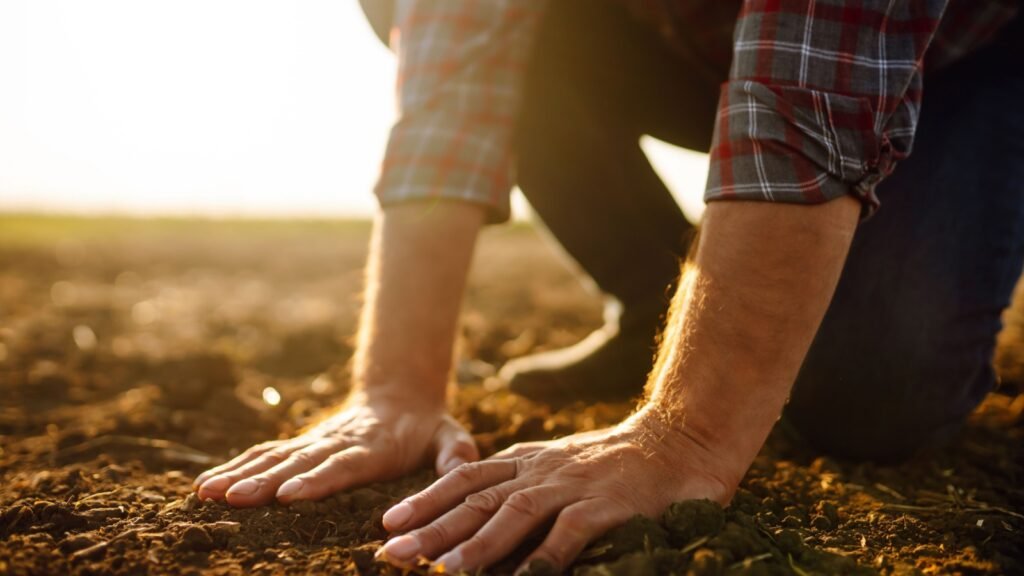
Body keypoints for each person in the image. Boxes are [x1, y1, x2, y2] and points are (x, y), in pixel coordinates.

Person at [193, 1, 1024, 572]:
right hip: (693, 34)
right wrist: (394, 390)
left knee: (869, 401)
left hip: (965, 54)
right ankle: (650, 308)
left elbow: (813, 83)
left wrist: (685, 437)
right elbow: (456, 84)